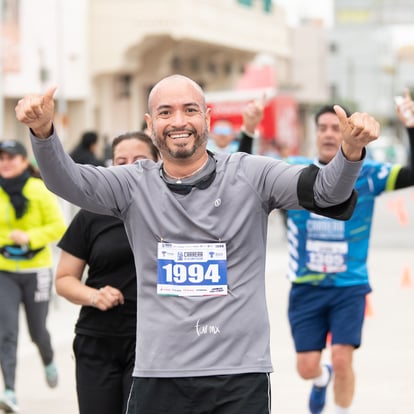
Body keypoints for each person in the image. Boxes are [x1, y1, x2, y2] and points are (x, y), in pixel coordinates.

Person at [15, 74, 379, 414]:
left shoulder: (251, 174)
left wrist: (349, 153)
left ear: (206, 117)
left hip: (239, 374)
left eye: (190, 110)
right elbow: (68, 182)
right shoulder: (131, 185)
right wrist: (43, 131)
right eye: (165, 112)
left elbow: (325, 191)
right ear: (149, 124)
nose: (178, 121)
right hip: (159, 373)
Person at [282, 91, 414, 414]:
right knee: (306, 366)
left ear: (349, 132)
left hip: (349, 286)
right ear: (314, 134)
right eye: (323, 127)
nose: (330, 133)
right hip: (306, 286)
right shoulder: (294, 170)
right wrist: (248, 133)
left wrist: (410, 126)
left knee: (342, 358)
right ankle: (319, 379)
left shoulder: (368, 174)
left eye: (336, 127)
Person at [55, 131, 159, 414]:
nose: (128, 166)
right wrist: (93, 295)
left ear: (158, 163)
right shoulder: (92, 213)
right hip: (97, 342)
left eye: (139, 160)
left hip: (153, 343)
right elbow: (64, 279)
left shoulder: (172, 213)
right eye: (120, 160)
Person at [0, 140, 66, 413]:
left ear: (25, 161)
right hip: (4, 271)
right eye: (1, 158)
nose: (5, 163)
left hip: (36, 270)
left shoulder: (38, 189)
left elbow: (58, 226)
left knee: (38, 331)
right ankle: (10, 392)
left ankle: (47, 359)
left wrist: (29, 238)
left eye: (11, 158)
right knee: (7, 332)